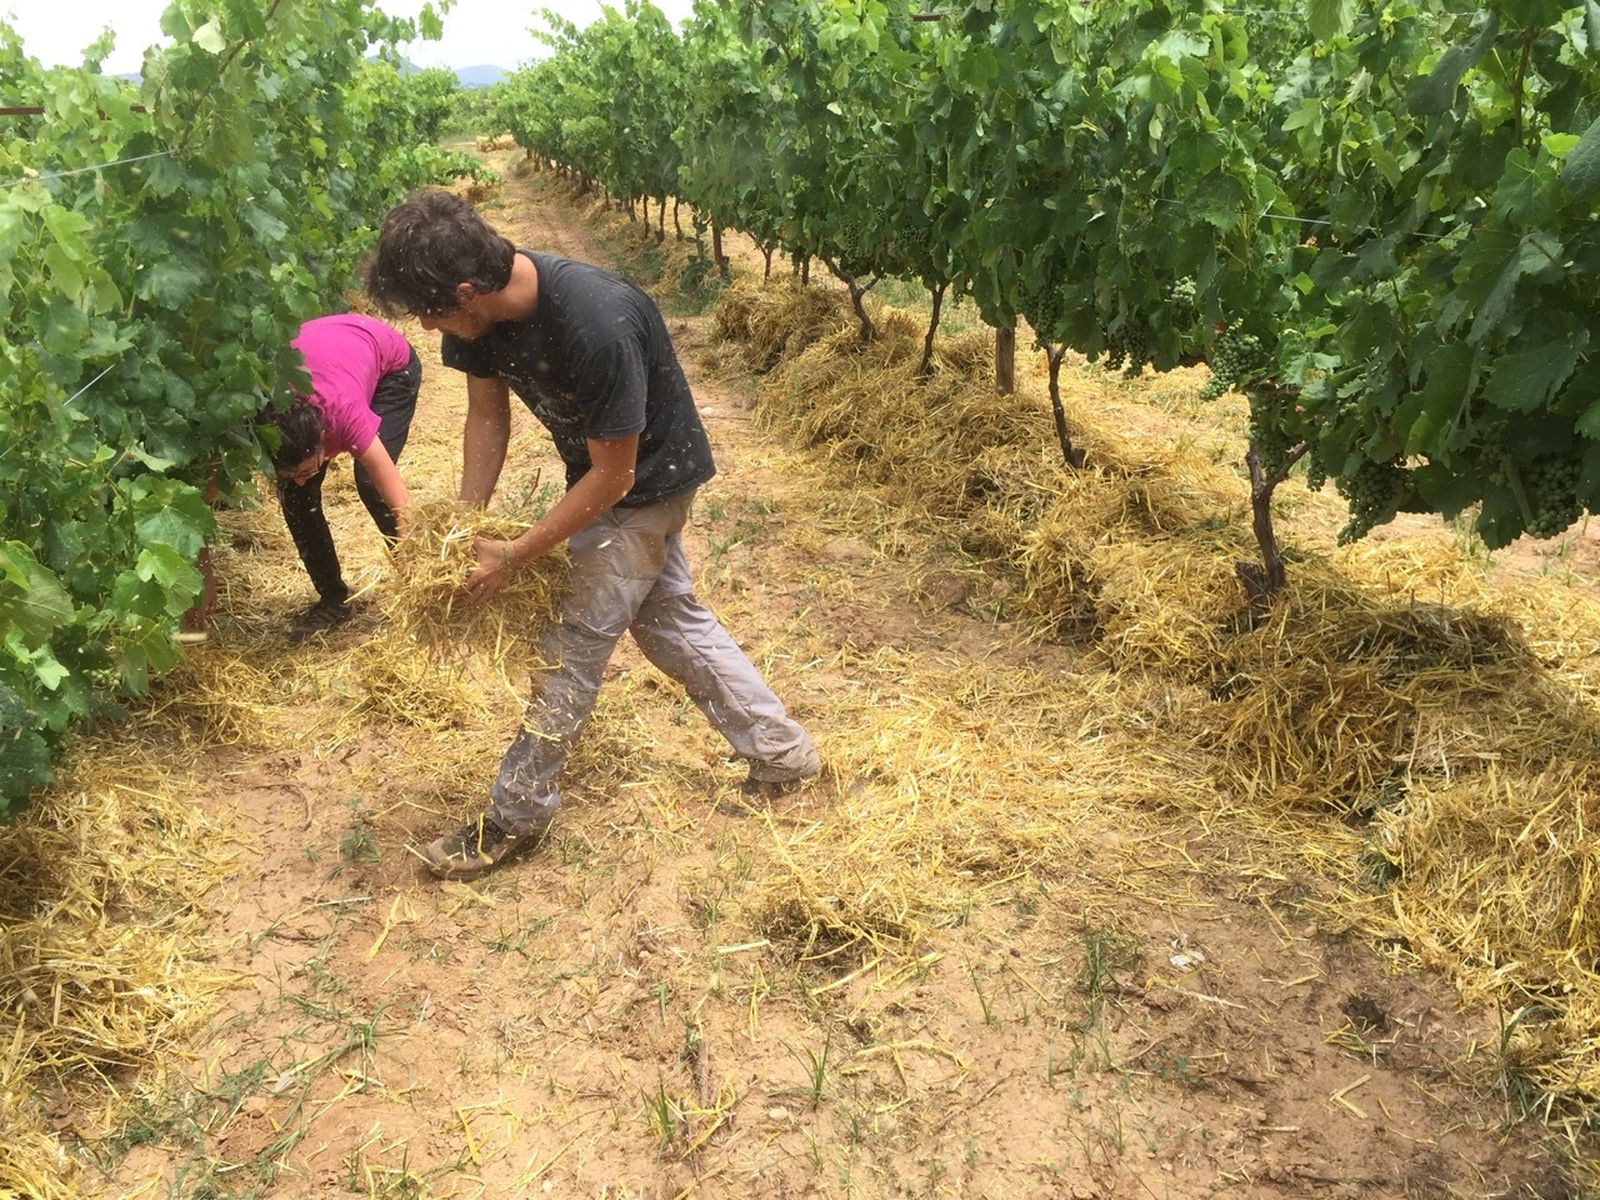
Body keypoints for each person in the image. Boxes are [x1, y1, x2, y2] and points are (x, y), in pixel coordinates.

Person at [365, 189, 820, 881]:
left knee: (570, 644)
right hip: (607, 474)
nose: (426, 328)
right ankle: (784, 756)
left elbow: (613, 477)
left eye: (429, 312)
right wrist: (465, 526)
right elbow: (488, 418)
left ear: (467, 291)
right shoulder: (475, 322)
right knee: (669, 619)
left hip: (649, 481)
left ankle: (515, 814)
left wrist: (513, 557)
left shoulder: (594, 322)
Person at [266, 313, 422, 638]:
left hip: (390, 366)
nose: (301, 477)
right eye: (289, 472)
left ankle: (418, 585)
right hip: (329, 351)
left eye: (308, 469)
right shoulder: (266, 418)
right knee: (295, 498)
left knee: (370, 483)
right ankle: (333, 599)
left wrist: (421, 573)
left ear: (325, 440)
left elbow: (399, 499)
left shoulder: (343, 414)